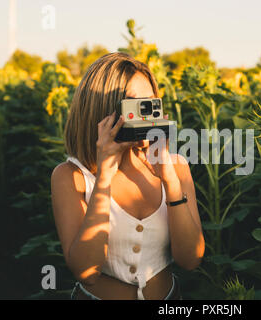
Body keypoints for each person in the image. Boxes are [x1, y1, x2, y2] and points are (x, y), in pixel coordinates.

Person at [50, 52, 205, 300]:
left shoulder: (176, 167)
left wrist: (170, 181)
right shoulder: (71, 176)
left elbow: (190, 259)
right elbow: (86, 272)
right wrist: (104, 180)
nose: (148, 114)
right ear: (105, 110)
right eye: (136, 104)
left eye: (152, 103)